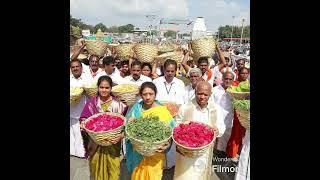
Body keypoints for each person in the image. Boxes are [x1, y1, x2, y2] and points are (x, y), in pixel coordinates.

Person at [174, 81, 226, 180]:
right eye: (199, 93)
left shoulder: (216, 109)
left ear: (210, 94)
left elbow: (221, 126)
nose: (202, 97)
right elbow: (176, 125)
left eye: (205, 94)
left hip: (204, 153)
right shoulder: (185, 108)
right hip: (186, 152)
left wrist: (217, 130)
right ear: (195, 92)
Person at [80, 76, 127, 180]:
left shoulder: (119, 104)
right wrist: (83, 124)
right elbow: (84, 118)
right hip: (95, 143)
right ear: (98, 88)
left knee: (113, 170)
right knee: (96, 169)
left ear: (111, 88)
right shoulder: (92, 103)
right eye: (101, 87)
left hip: (113, 142)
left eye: (107, 88)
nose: (104, 90)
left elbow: (125, 124)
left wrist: (120, 136)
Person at [125, 82, 175, 180]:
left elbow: (170, 131)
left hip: (156, 152)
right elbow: (128, 127)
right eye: (144, 94)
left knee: (153, 176)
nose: (148, 97)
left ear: (155, 94)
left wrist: (168, 144)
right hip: (138, 152)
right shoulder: (137, 108)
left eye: (151, 94)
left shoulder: (162, 110)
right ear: (141, 95)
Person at [152, 59, 186, 171]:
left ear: (176, 70)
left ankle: (171, 164)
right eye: (168, 71)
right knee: (159, 139)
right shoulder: (156, 82)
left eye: (172, 71)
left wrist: (176, 110)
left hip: (174, 117)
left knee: (172, 139)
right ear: (163, 70)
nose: (170, 73)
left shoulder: (180, 83)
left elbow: (183, 101)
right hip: (159, 116)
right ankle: (158, 162)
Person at [70, 59, 92, 158]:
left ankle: (83, 153)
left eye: (77, 66)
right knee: (73, 133)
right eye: (73, 67)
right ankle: (73, 152)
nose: (75, 69)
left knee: (82, 133)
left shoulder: (87, 79)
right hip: (71, 110)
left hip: (83, 111)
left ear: (81, 68)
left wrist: (85, 91)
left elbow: (93, 93)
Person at [211, 72, 235, 155]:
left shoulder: (235, 91)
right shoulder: (214, 90)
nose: (227, 81)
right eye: (226, 78)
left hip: (229, 118)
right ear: (222, 79)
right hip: (217, 118)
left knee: (227, 138)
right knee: (217, 138)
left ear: (233, 80)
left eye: (230, 79)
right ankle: (215, 154)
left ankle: (224, 154)